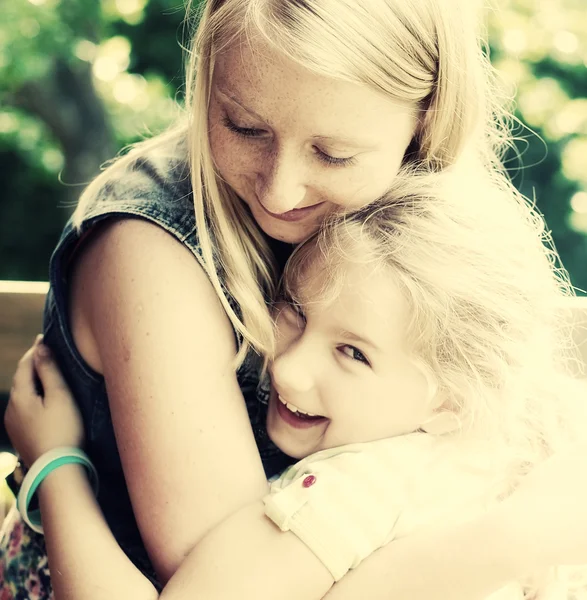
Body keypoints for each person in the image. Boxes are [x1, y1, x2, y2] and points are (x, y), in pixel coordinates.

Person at [0, 0, 573, 597]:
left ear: (424, 127)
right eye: (244, 127)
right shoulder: (150, 253)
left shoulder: (430, 247)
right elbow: (231, 586)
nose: (279, 191)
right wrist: (517, 538)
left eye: (334, 154)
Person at [5, 170, 587, 600]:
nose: (286, 369)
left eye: (352, 353)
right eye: (295, 311)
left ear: (453, 400)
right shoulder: (529, 442)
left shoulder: (352, 491)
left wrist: (56, 466)